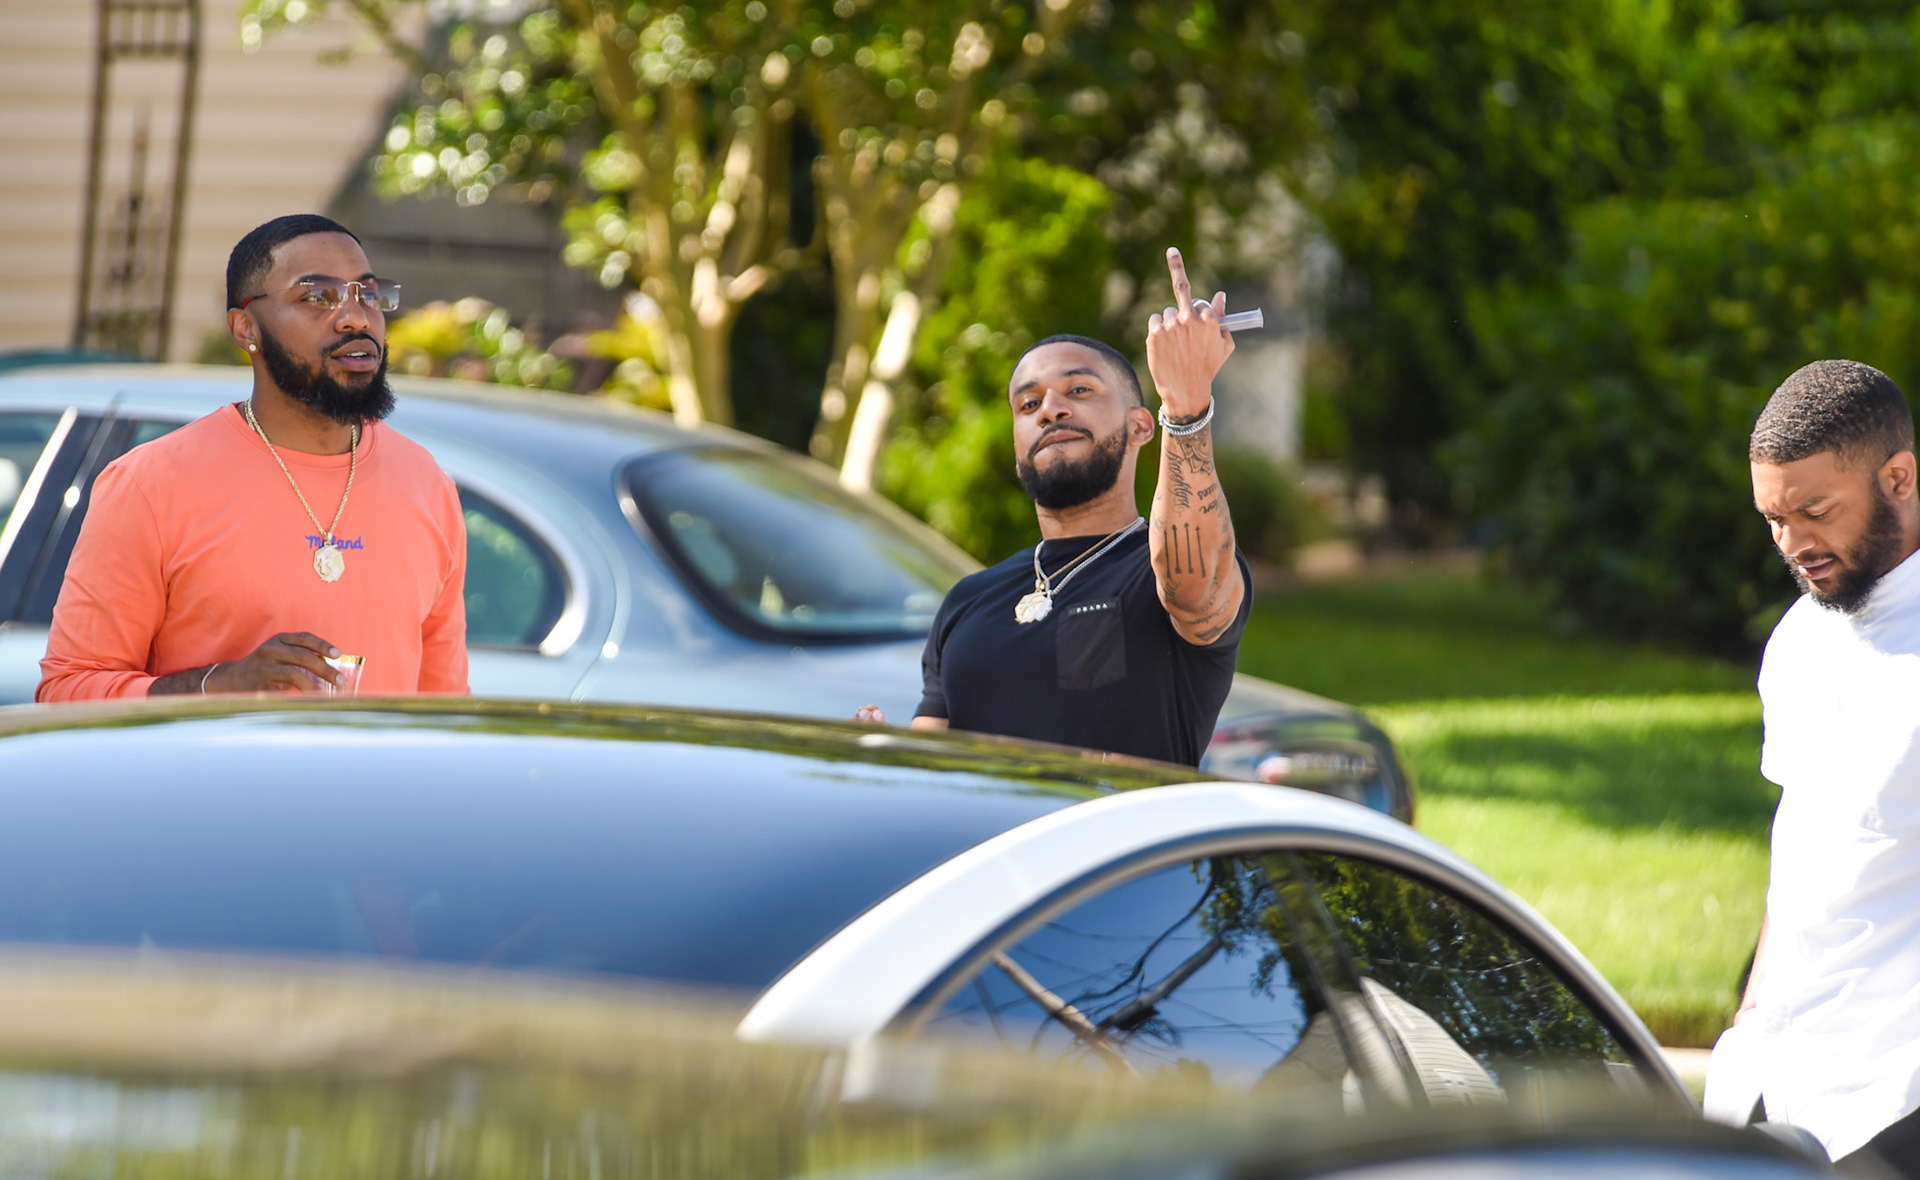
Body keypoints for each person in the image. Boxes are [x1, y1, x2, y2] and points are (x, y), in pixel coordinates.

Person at [37, 214, 468, 700]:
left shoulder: (426, 484)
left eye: (368, 294)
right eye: (317, 296)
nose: (356, 317)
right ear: (246, 329)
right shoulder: (151, 485)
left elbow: (447, 709)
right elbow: (67, 690)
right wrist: (216, 687)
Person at [856, 247, 1250, 766]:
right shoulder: (966, 602)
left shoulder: (1158, 573)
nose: (1050, 410)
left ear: (1139, 426)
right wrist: (879, 761)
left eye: (1079, 389)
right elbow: (931, 768)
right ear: (1017, 445)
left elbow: (1194, 584)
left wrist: (1185, 405)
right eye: (1028, 403)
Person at [1708, 359, 1920, 1173]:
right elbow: (1798, 849)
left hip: (1893, 1094)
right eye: (1773, 519)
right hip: (1771, 1077)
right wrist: (1750, 1017)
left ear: (1898, 478)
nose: (1794, 544)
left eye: (1816, 513)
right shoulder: (1799, 639)